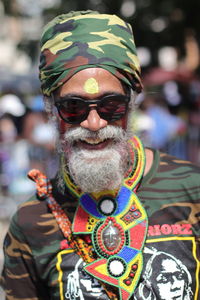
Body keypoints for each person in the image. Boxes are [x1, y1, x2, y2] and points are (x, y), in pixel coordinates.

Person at [0, 10, 199, 300]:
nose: (94, 124)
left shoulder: (193, 189)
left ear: (131, 102)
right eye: (73, 107)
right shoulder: (31, 222)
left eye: (111, 105)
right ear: (51, 109)